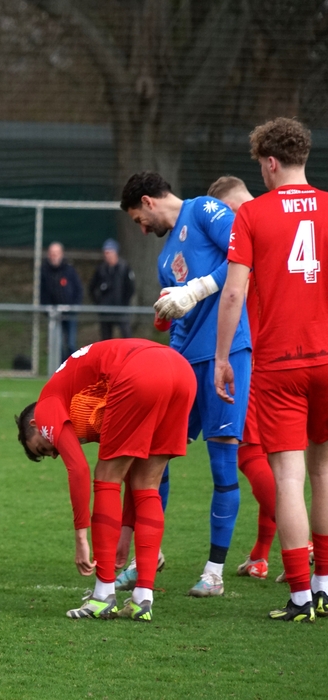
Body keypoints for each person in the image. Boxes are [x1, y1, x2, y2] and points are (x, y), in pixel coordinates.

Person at [215, 117, 328, 622]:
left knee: (288, 476)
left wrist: (223, 357)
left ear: (271, 162)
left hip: (281, 362)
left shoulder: (254, 214)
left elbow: (234, 292)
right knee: (324, 470)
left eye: (261, 164)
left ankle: (301, 595)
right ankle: (325, 585)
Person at [122, 171, 252, 598]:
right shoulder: (164, 261)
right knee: (154, 457)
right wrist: (169, 334)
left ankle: (214, 572)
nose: (142, 229)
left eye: (139, 219)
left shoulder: (204, 209)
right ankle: (148, 555)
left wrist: (196, 289)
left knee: (222, 462)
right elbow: (179, 321)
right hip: (185, 365)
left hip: (227, 354)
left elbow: (244, 253)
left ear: (148, 201)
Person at [17, 339, 195, 621]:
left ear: (34, 425)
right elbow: (131, 475)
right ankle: (142, 599)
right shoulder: (85, 402)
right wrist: (125, 530)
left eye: (42, 447)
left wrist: (81, 538)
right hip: (181, 371)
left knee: (105, 477)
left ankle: (102, 598)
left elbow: (79, 470)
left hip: (141, 370)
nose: (53, 453)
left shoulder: (46, 406)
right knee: (147, 484)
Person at [207, 175, 279, 581]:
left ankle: (304, 542)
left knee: (249, 453)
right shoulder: (284, 222)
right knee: (279, 458)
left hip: (262, 357)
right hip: (302, 351)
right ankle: (261, 554)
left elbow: (234, 294)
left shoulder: (248, 232)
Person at [40, 242, 83, 362]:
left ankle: (73, 368)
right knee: (56, 345)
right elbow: (42, 292)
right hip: (54, 314)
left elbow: (79, 290)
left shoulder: (69, 270)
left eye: (56, 253)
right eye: (52, 254)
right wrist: (47, 309)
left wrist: (74, 307)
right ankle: (60, 369)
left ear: (61, 254)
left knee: (70, 344)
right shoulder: (45, 271)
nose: (54, 256)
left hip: (70, 314)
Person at [89, 238, 135, 340]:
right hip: (105, 310)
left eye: (110, 252)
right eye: (106, 253)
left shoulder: (124, 268)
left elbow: (130, 288)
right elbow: (92, 287)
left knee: (126, 335)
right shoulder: (101, 269)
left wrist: (124, 302)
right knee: (106, 338)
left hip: (121, 309)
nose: (108, 255)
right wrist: (99, 302)